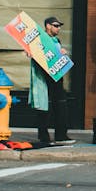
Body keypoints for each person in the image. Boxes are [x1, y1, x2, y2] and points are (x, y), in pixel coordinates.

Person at [29, 16, 73, 144]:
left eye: (59, 26)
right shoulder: (40, 40)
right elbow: (32, 53)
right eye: (56, 25)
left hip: (57, 77)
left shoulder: (56, 40)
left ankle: (61, 135)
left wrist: (62, 53)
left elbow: (57, 56)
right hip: (43, 77)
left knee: (61, 105)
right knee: (44, 107)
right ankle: (43, 137)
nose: (58, 28)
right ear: (48, 26)